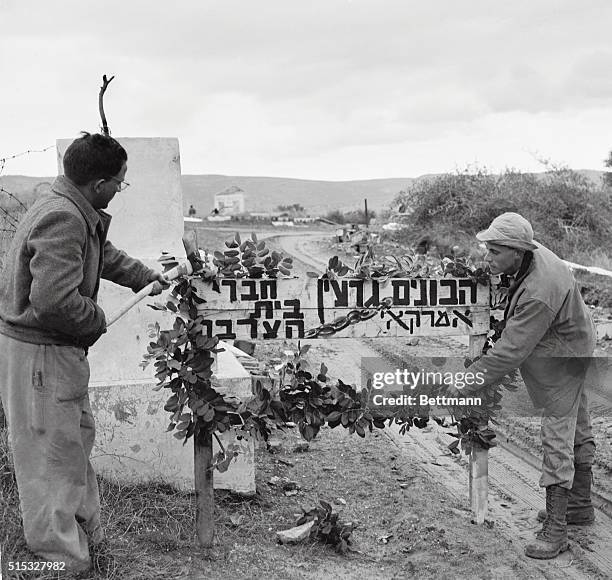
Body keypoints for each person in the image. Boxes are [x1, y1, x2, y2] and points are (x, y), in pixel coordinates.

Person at [0, 132, 168, 573]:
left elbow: (102, 254)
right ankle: (59, 562)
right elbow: (53, 302)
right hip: (41, 356)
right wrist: (95, 319)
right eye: (120, 182)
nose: (119, 190)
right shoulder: (64, 217)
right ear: (99, 184)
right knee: (49, 459)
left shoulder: (73, 207)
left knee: (71, 446)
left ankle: (83, 538)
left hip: (55, 355)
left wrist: (145, 277)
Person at [460, 212, 596, 560]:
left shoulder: (538, 292)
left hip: (563, 357)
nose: (487, 258)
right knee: (576, 424)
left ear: (517, 251)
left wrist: (467, 382)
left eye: (494, 252)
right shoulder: (532, 251)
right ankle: (579, 506)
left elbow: (510, 351)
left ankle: (557, 530)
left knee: (557, 434)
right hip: (573, 339)